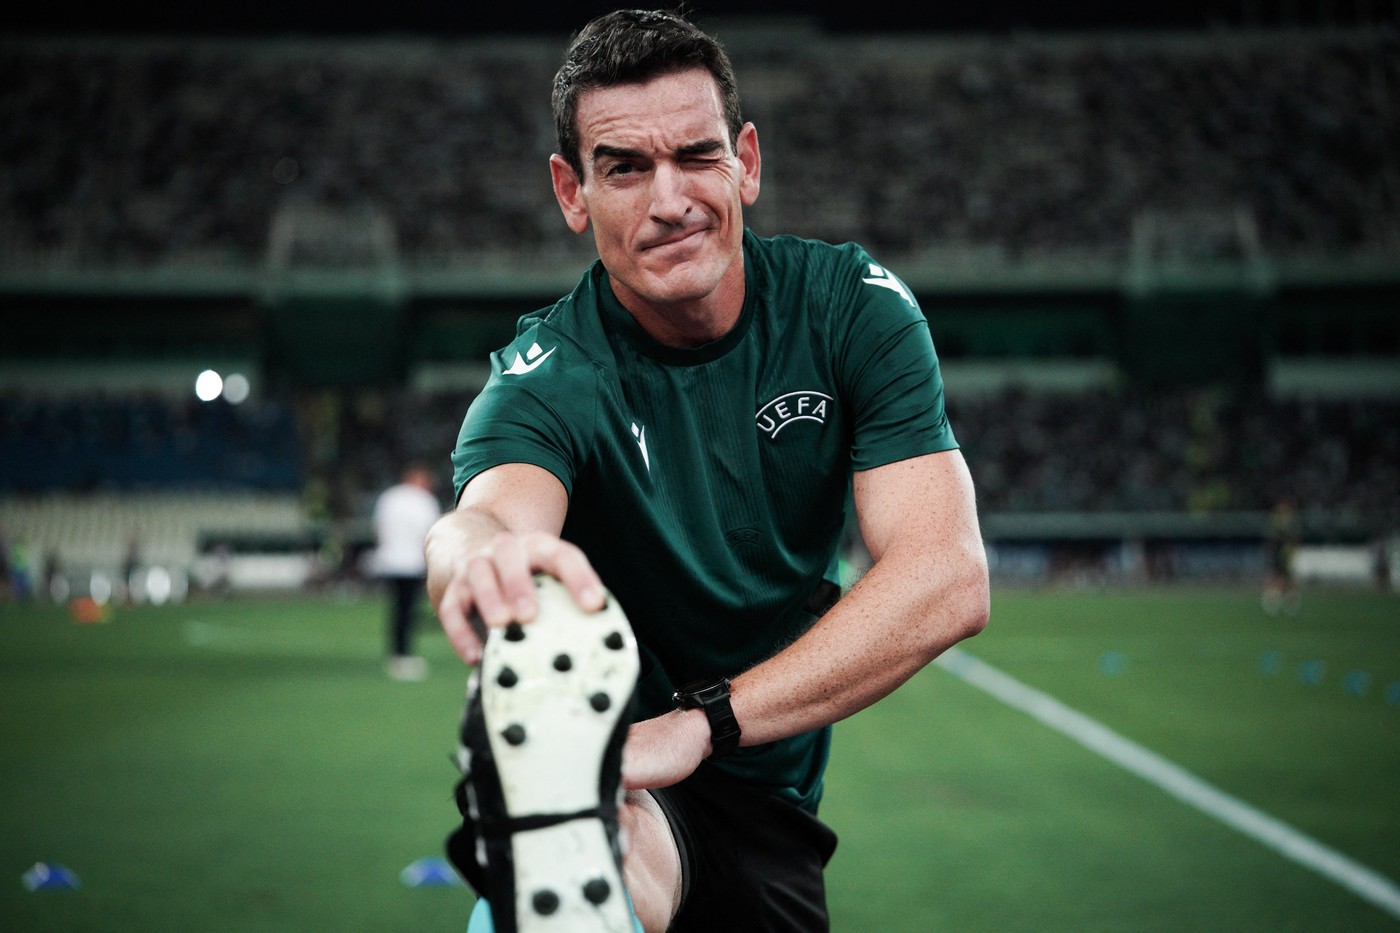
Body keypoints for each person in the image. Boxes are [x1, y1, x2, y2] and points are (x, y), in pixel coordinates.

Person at [425, 9, 989, 932]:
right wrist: (468, 554)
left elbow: (949, 577)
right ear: (572, 192)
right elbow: (492, 516)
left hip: (763, 799)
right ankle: (555, 867)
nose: (670, 199)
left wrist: (701, 724)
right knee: (585, 864)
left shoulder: (849, 312)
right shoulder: (548, 380)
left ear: (748, 162)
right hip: (621, 783)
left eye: (696, 155)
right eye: (625, 167)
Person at [372, 462, 443, 680]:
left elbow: (378, 527)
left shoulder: (389, 497)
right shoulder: (424, 501)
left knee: (399, 609)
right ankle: (403, 655)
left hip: (390, 560)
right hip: (412, 562)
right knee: (407, 610)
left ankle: (397, 652)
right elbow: (430, 533)